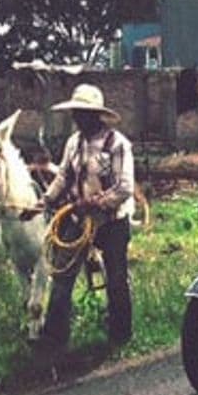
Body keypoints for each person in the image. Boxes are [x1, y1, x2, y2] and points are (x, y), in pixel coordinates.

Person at [38, 84, 135, 347]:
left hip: (111, 221)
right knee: (62, 275)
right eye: (75, 113)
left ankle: (120, 335)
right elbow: (63, 177)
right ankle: (53, 338)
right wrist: (45, 201)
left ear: (96, 115)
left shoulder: (117, 144)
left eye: (82, 113)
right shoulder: (74, 143)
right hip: (77, 219)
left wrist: (93, 203)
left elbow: (124, 187)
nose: (77, 118)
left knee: (116, 278)